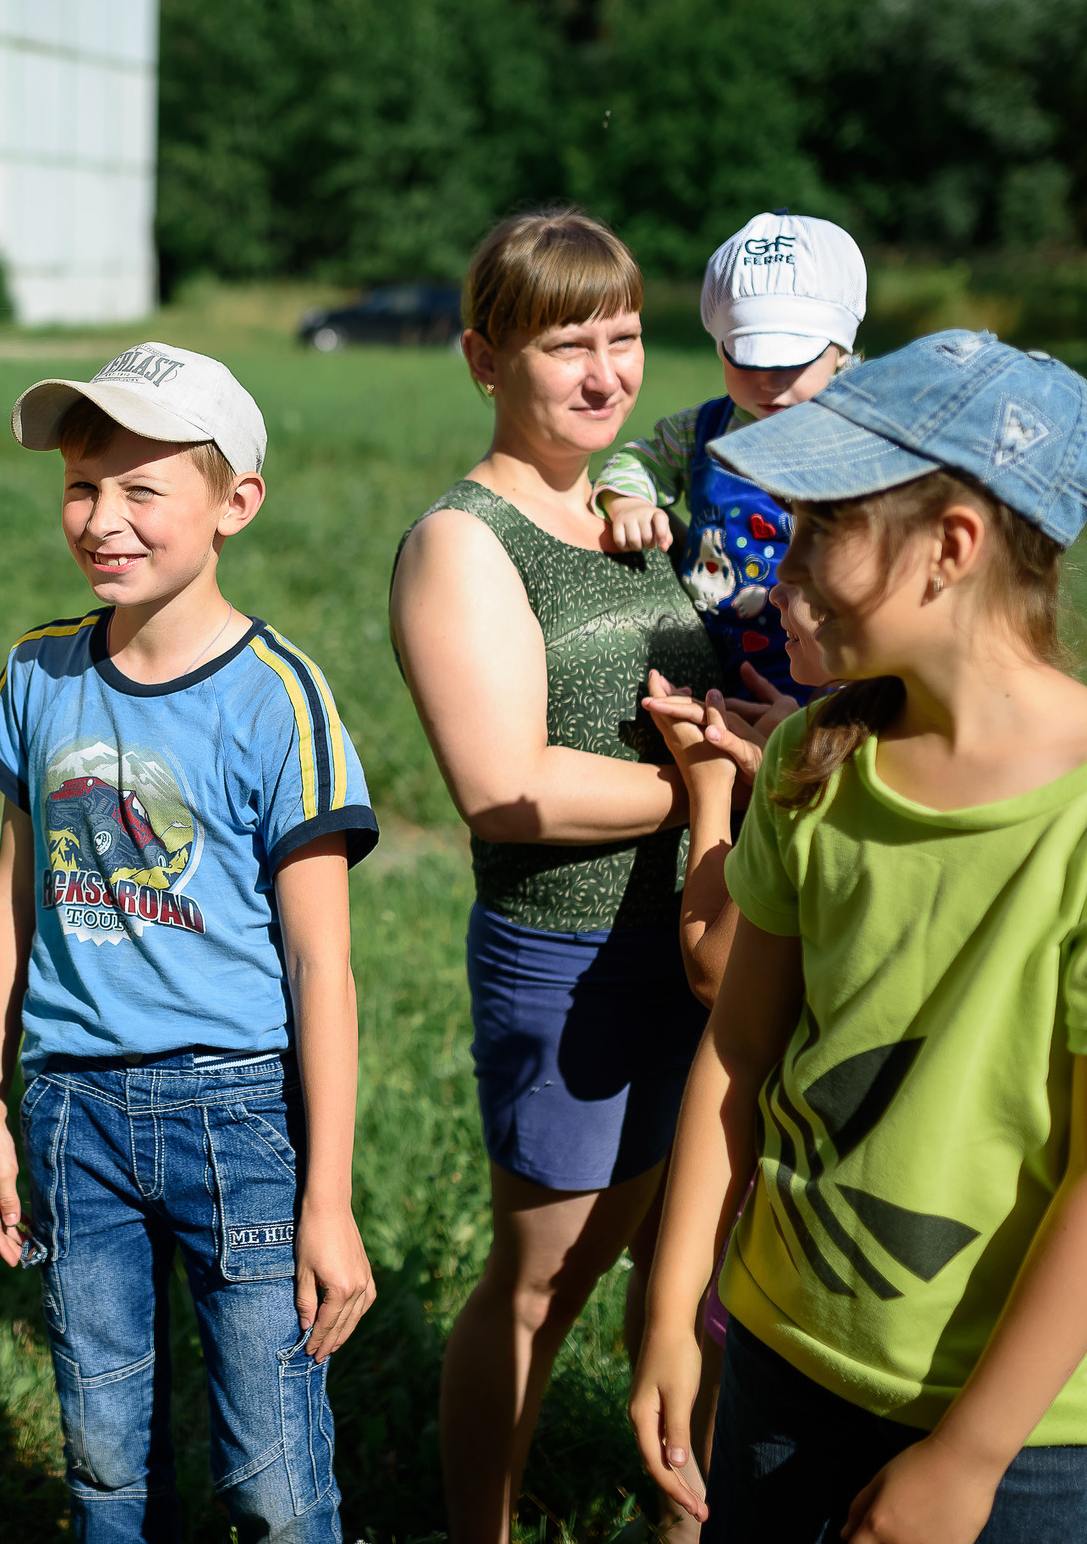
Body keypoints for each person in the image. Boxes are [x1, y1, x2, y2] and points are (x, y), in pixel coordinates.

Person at [628, 332, 1087, 1544]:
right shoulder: (812, 756)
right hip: (781, 1361)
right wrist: (671, 1305)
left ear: (950, 547)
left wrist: (967, 1455)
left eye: (816, 533)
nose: (776, 572)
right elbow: (738, 1056)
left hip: (1013, 1431)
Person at [0, 343, 380, 1542]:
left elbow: (323, 968)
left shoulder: (279, 697)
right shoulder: (39, 671)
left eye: (145, 489)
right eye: (84, 485)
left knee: (271, 1473)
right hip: (68, 1111)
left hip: (239, 1116)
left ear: (234, 503)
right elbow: (10, 896)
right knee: (101, 1458)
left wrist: (329, 1197)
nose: (104, 519)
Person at [388, 209, 731, 1544]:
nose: (605, 372)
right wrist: (710, 791)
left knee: (696, 1279)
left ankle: (687, 1521)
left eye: (626, 337)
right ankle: (481, 1525)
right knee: (541, 1286)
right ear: (484, 355)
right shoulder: (464, 541)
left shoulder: (634, 512)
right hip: (572, 962)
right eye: (566, 344)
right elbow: (503, 784)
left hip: (714, 939)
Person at [594, 210, 869, 703]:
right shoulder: (701, 432)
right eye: (750, 357)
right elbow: (640, 460)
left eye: (792, 359)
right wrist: (627, 502)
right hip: (722, 670)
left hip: (841, 679)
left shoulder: (867, 438)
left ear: (841, 351)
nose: (769, 380)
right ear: (720, 345)